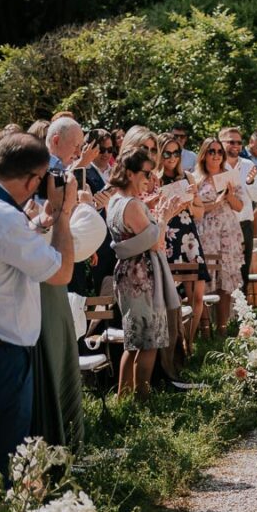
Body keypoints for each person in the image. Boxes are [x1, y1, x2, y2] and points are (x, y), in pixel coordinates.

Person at [0, 134, 75, 476]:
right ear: (31, 180)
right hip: (0, 354)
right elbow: (62, 271)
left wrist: (38, 223)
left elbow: (3, 255)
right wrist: (64, 215)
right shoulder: (4, 217)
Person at [106, 147, 182, 400]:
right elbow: (154, 242)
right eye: (146, 174)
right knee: (149, 340)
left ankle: (123, 397)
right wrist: (164, 216)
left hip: (129, 274)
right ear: (129, 173)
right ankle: (142, 398)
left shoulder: (115, 201)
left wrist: (149, 207)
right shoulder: (132, 205)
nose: (150, 180)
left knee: (134, 339)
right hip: (141, 276)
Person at [158, 134, 208, 338]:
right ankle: (175, 342)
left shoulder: (188, 177)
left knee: (197, 294)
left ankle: (189, 340)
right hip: (169, 236)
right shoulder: (155, 178)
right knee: (173, 296)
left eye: (176, 152)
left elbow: (199, 213)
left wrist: (193, 198)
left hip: (190, 237)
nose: (172, 157)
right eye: (167, 153)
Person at [193, 138, 245, 331]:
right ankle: (205, 327)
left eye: (219, 152)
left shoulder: (230, 175)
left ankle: (222, 326)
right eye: (211, 151)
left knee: (225, 278)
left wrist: (229, 195)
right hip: (205, 232)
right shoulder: (195, 178)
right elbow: (191, 208)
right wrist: (215, 203)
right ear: (204, 154)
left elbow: (240, 206)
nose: (215, 155)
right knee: (206, 279)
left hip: (227, 232)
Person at [220, 127, 257, 288]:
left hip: (245, 224)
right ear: (221, 143)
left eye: (238, 142)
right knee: (225, 270)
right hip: (224, 226)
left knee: (244, 270)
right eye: (231, 142)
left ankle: (242, 311)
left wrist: (249, 183)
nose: (235, 145)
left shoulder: (248, 164)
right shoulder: (216, 166)